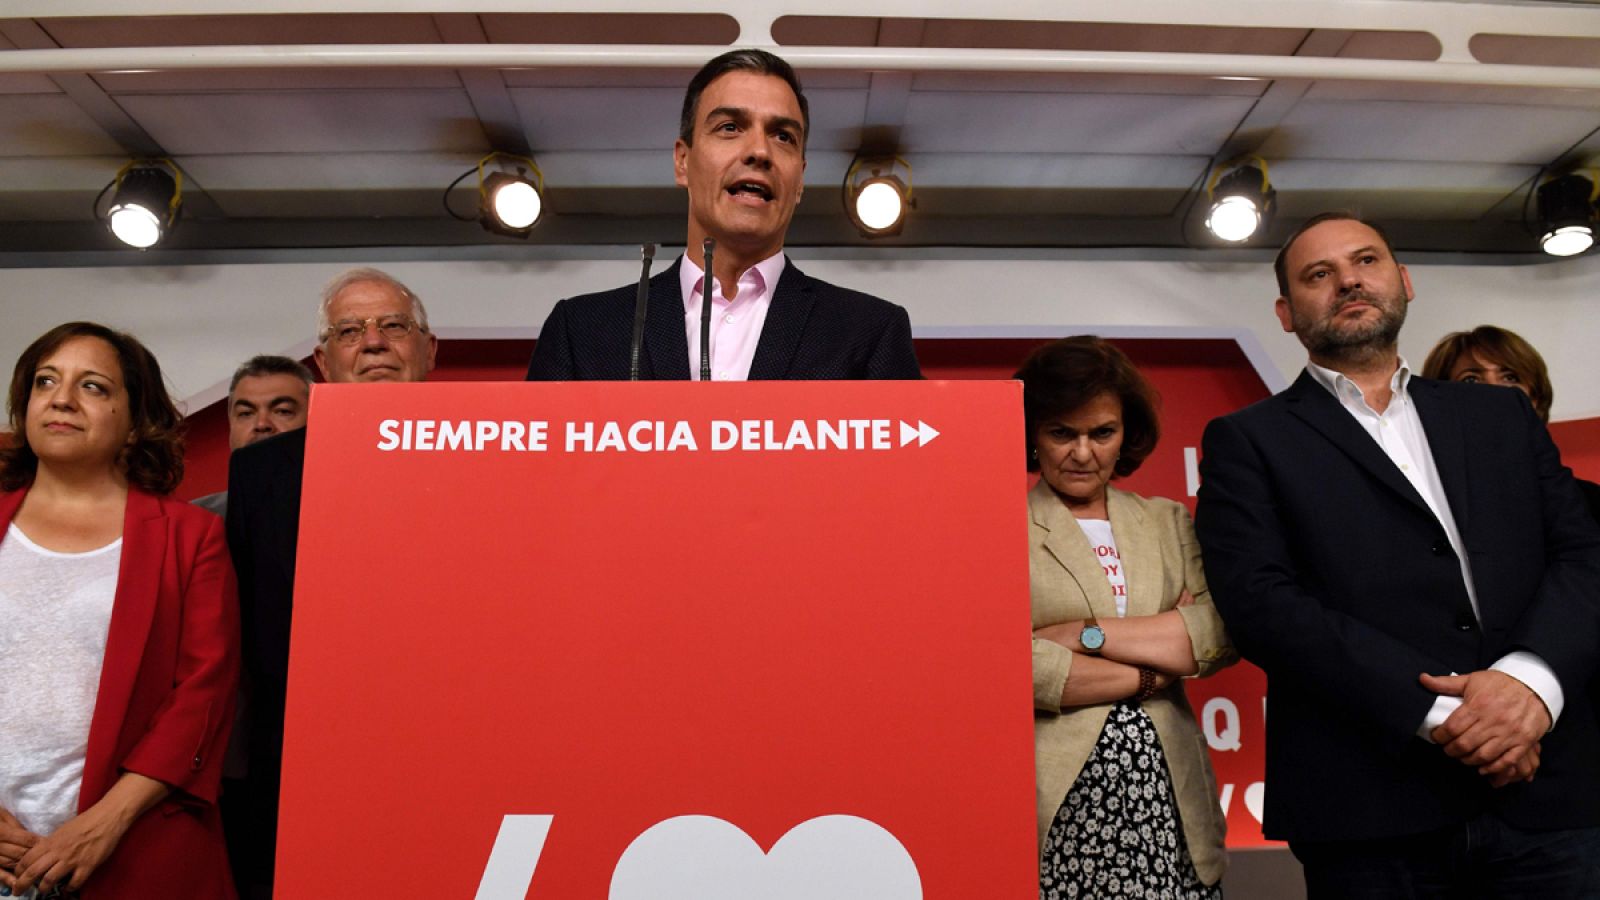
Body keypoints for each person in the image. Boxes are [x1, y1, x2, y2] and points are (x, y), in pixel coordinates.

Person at [1196, 212, 1600, 896]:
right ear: (1286, 313)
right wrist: (1458, 720)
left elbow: (1584, 554)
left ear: (1404, 281)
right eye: (1319, 274)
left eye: (1366, 261)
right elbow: (1261, 603)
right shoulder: (1248, 440)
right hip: (1371, 810)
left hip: (1548, 792)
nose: (1349, 281)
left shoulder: (1499, 416)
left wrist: (1531, 687)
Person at [0, 322, 239, 898]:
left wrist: (103, 824)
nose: (61, 398)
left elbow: (203, 694)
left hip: (132, 847)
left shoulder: (190, 536)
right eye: (46, 381)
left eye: (93, 386)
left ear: (135, 422)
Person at [225, 267, 435, 898]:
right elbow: (243, 638)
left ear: (429, 350)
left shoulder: (493, 455)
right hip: (299, 764)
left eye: (393, 325)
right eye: (349, 330)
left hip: (445, 748)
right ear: (322, 362)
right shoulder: (259, 475)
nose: (372, 342)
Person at [526, 49, 920, 381]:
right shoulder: (581, 331)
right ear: (683, 161)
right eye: (730, 127)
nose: (760, 151)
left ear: (800, 180)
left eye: (783, 136)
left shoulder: (869, 332)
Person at [1021, 337, 1235, 899]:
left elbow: (1218, 631)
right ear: (1032, 434)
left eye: (1102, 433)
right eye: (1062, 433)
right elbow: (1004, 664)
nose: (1082, 453)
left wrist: (1085, 636)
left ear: (1126, 434)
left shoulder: (1167, 520)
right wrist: (1152, 670)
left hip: (1172, 797)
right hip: (1054, 802)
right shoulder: (998, 526)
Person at [1422, 325, 1600, 520]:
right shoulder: (1427, 506)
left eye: (1510, 378)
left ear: (1536, 400)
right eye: (1471, 380)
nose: (1495, 391)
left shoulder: (1589, 503)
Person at [193, 355, 314, 517]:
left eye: (282, 411)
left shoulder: (340, 510)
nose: (261, 424)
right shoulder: (195, 519)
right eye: (246, 413)